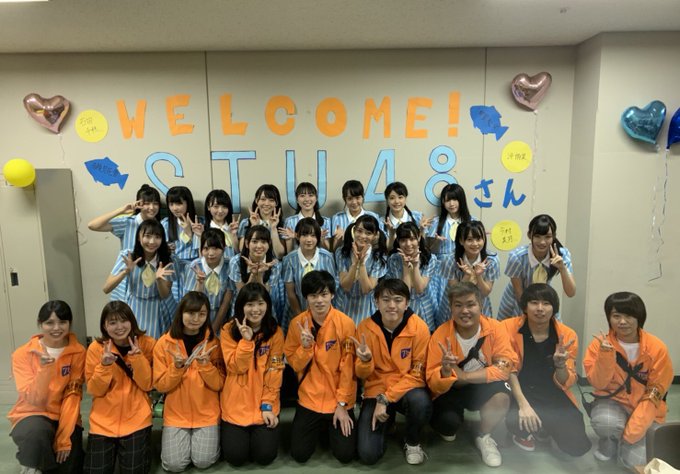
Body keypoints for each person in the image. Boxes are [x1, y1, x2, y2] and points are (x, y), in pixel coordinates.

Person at [427, 282, 516, 468]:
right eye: (458, 305)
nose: (465, 311)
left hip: (483, 385)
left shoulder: (496, 328)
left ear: (480, 305)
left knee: (502, 396)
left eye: (470, 304)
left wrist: (465, 377)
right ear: (451, 308)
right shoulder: (440, 334)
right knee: (447, 426)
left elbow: (505, 366)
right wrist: (445, 372)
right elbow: (432, 383)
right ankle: (452, 422)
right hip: (452, 390)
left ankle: (484, 435)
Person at [584, 291, 673, 469]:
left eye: (629, 316)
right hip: (612, 402)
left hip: (646, 407)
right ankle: (609, 444)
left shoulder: (657, 348)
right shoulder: (599, 345)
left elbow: (655, 393)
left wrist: (632, 433)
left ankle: (625, 443)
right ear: (609, 318)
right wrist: (606, 355)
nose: (622, 322)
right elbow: (598, 383)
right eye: (616, 316)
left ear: (639, 317)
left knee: (635, 463)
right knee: (605, 423)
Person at [501, 284, 591, 457]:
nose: (540, 308)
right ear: (525, 307)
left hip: (551, 391)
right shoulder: (507, 327)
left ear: (554, 309)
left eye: (546, 303)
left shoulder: (567, 335)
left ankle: (544, 427)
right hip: (518, 389)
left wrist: (560, 365)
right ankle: (523, 432)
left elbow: (565, 382)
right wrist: (524, 406)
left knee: (577, 446)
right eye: (534, 302)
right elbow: (508, 368)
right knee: (517, 421)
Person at [354, 279, 432, 465]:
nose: (391, 305)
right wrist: (365, 361)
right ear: (376, 302)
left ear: (407, 303)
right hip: (376, 390)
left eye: (398, 300)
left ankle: (412, 441)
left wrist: (386, 398)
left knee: (421, 401)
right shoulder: (364, 328)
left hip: (407, 389)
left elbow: (417, 374)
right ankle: (387, 424)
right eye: (386, 299)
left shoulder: (419, 327)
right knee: (368, 455)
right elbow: (361, 375)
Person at [284, 271, 357, 464]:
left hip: (338, 400)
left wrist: (342, 404)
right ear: (306, 297)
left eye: (324, 294)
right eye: (313, 295)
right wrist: (305, 348)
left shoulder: (346, 324)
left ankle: (330, 426)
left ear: (332, 295)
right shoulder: (296, 324)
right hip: (309, 399)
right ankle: (322, 428)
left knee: (345, 455)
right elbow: (294, 364)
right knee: (299, 454)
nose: (319, 301)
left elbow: (348, 368)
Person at [8, 300, 86, 474]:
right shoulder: (22, 354)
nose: (56, 328)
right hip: (31, 414)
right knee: (37, 434)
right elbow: (34, 400)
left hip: (65, 415)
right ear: (40, 324)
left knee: (70, 463)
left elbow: (72, 396)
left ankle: (34, 461)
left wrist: (64, 438)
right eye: (49, 323)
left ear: (69, 323)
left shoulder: (78, 352)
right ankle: (31, 464)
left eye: (62, 322)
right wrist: (45, 370)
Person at [153, 292, 224, 472]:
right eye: (191, 313)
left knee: (203, 461)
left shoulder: (213, 343)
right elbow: (160, 385)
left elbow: (219, 384)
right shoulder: (164, 343)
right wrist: (176, 368)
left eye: (201, 314)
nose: (196, 319)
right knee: (174, 465)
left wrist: (206, 366)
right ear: (181, 313)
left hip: (206, 413)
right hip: (176, 414)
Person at [84, 301, 156, 474]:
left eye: (124, 320)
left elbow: (147, 384)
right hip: (103, 421)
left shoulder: (147, 344)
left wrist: (138, 359)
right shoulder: (96, 348)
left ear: (132, 321)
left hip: (137, 419)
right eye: (112, 322)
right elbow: (94, 390)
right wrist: (104, 366)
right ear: (104, 326)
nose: (119, 327)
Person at [220, 283, 285, 466]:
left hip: (263, 405)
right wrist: (246, 342)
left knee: (265, 456)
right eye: (249, 304)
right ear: (241, 306)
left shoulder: (275, 332)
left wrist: (267, 406)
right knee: (236, 458)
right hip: (235, 406)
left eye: (260, 304)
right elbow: (235, 367)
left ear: (267, 305)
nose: (255, 310)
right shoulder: (228, 330)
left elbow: (275, 371)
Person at [103, 219, 177, 339]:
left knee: (154, 344)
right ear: (138, 237)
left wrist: (159, 279)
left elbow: (165, 295)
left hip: (157, 309)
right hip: (133, 306)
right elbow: (106, 288)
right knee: (133, 341)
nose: (152, 241)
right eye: (147, 236)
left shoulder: (167, 259)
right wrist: (125, 272)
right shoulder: (128, 256)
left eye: (157, 237)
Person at [88, 184, 162, 302]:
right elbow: (92, 225)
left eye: (155, 203)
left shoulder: (162, 226)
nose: (152, 207)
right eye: (147, 203)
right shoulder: (128, 223)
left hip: (152, 283)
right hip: (126, 278)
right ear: (139, 204)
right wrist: (122, 210)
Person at [497, 214, 575, 320]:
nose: (542, 242)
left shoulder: (561, 254)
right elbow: (519, 292)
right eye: (537, 236)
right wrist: (531, 315)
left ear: (554, 236)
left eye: (547, 237)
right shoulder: (517, 257)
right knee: (512, 328)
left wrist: (562, 268)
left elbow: (571, 292)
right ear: (530, 235)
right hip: (516, 301)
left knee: (555, 328)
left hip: (544, 299)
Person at [437, 220, 500, 325]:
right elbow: (455, 293)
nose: (475, 244)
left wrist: (478, 276)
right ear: (461, 241)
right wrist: (466, 276)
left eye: (478, 239)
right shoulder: (450, 260)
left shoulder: (491, 260)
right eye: (470, 240)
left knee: (481, 332)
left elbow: (486, 292)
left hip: (479, 304)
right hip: (455, 305)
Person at [282, 218, 337, 333]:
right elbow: (291, 293)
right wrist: (302, 317)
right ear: (297, 236)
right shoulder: (289, 259)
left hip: (323, 315)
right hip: (297, 312)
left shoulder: (327, 257)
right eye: (304, 235)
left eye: (313, 235)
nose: (309, 240)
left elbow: (331, 288)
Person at [334, 215, 387, 325]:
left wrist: (361, 263)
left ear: (375, 235)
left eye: (368, 233)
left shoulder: (379, 256)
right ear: (354, 231)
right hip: (342, 303)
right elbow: (346, 286)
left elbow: (367, 289)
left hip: (366, 306)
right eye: (359, 231)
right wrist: (354, 264)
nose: (363, 236)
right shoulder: (342, 252)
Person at [228, 225, 286, 324]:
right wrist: (252, 274)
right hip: (241, 306)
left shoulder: (274, 265)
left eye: (263, 242)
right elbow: (242, 294)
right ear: (247, 243)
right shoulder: (236, 262)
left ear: (269, 244)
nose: (259, 246)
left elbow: (264, 294)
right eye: (254, 242)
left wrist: (260, 274)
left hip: (263, 307)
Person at [386, 222, 439, 331]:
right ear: (398, 241)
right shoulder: (394, 259)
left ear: (419, 237)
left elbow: (419, 289)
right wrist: (405, 266)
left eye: (412, 239)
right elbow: (405, 291)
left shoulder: (430, 258)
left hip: (425, 307)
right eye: (403, 240)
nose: (408, 244)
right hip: (403, 309)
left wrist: (415, 266)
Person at [183, 229, 233, 331]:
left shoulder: (229, 266)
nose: (211, 253)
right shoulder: (194, 266)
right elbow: (191, 302)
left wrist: (213, 329)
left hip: (222, 319)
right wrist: (199, 284)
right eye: (206, 248)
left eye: (215, 248)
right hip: (197, 318)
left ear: (224, 248)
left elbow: (226, 302)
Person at [330, 180, 383, 249]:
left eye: (357, 198)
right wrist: (338, 240)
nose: (354, 202)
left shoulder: (373, 217)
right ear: (344, 199)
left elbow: (380, 244)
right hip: (344, 255)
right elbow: (333, 249)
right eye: (350, 199)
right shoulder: (337, 218)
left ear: (362, 197)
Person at [237, 184, 286, 258]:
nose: (266, 203)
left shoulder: (283, 223)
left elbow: (279, 255)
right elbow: (242, 250)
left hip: (274, 264)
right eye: (263, 199)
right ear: (256, 200)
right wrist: (254, 227)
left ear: (276, 203)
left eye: (271, 200)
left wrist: (273, 229)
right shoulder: (246, 223)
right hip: (252, 263)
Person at [281, 182, 332, 252]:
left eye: (311, 195)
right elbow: (289, 253)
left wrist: (321, 239)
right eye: (302, 196)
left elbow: (327, 251)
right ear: (297, 200)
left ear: (316, 198)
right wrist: (292, 238)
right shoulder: (290, 221)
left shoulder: (325, 221)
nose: (307, 199)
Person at [426, 183, 473, 257]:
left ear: (461, 200)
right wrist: (436, 242)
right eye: (447, 200)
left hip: (465, 263)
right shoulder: (435, 222)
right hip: (441, 263)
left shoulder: (472, 222)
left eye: (455, 199)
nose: (451, 204)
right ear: (443, 202)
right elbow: (429, 251)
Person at [383, 181, 430, 248]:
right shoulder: (382, 223)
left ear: (405, 199)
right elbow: (387, 249)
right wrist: (391, 234)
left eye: (400, 197)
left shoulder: (417, 217)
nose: (397, 201)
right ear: (387, 200)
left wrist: (421, 230)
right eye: (392, 198)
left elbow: (422, 246)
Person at [200, 189, 239, 258]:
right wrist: (200, 236)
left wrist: (233, 236)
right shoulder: (202, 229)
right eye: (216, 206)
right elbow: (201, 257)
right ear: (208, 207)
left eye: (224, 207)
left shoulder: (235, 227)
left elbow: (239, 253)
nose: (220, 211)